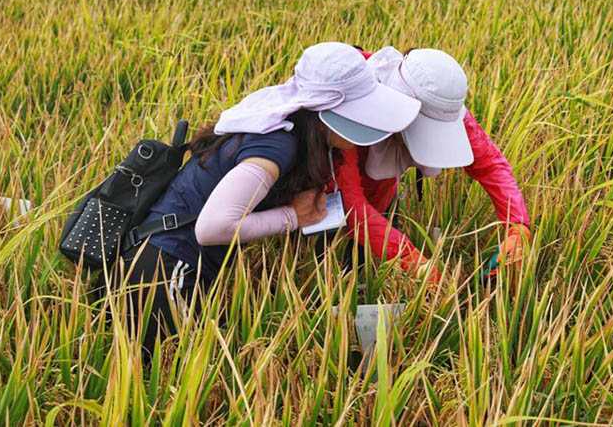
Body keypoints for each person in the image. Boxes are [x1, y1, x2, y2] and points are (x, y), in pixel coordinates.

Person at [115, 42, 421, 353]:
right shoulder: (276, 147)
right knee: (200, 376)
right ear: (330, 113)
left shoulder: (288, 129)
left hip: (170, 266)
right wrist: (293, 217)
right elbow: (212, 228)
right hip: (163, 273)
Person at [332, 46, 531, 284]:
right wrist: (410, 257)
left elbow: (491, 166)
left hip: (381, 197)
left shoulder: (443, 106)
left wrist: (518, 226)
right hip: (326, 202)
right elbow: (350, 201)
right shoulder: (350, 109)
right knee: (332, 275)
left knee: (369, 274)